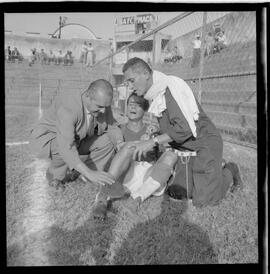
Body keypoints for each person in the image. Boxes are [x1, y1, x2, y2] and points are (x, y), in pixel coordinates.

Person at [121, 57, 243, 208]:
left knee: (203, 201)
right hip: (186, 149)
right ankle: (209, 172)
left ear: (146, 74)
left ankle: (230, 170)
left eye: (132, 80)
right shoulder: (158, 91)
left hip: (205, 145)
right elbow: (174, 125)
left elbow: (184, 129)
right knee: (178, 193)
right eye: (128, 82)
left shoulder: (170, 89)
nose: (130, 86)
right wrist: (156, 133)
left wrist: (152, 141)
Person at [29, 79, 124, 210]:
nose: (103, 111)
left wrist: (120, 143)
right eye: (100, 107)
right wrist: (90, 172)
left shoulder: (102, 105)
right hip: (50, 140)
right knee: (60, 145)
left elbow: (112, 127)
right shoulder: (68, 108)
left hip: (77, 140)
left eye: (106, 107)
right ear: (88, 96)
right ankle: (55, 175)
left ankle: (84, 173)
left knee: (107, 140)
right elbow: (66, 146)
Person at [93, 92, 178, 220]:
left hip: (147, 176)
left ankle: (136, 198)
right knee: (128, 147)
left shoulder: (153, 130)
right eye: (130, 104)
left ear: (144, 110)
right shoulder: (118, 129)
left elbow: (163, 155)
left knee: (171, 156)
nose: (133, 108)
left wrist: (153, 139)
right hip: (126, 174)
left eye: (138, 105)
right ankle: (103, 197)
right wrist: (139, 143)